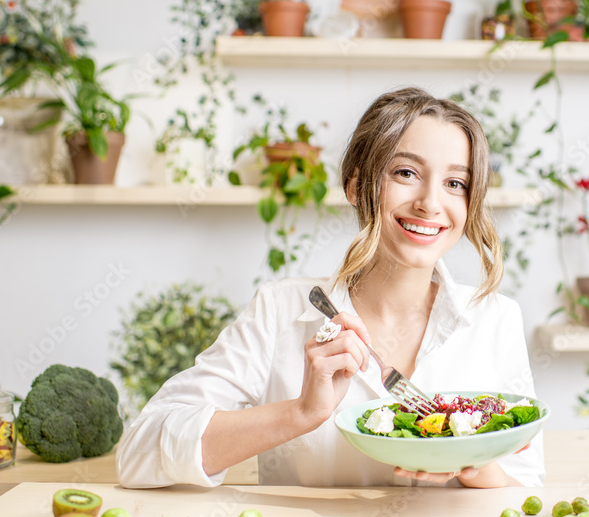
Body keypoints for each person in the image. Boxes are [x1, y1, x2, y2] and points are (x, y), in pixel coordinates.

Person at [116, 87, 544, 489]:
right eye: (406, 172)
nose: (430, 203)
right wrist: (300, 413)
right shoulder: (279, 310)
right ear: (358, 187)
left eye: (455, 183)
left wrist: (474, 457)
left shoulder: (495, 318)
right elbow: (140, 452)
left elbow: (525, 490)